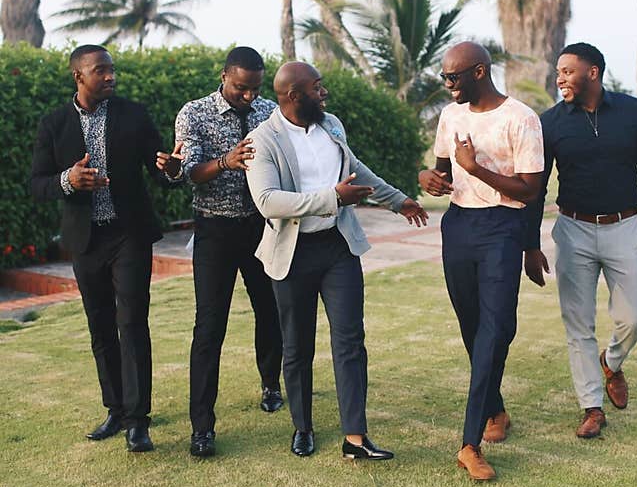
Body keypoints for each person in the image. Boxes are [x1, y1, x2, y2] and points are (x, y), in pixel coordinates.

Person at [245, 61, 427, 461]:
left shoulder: (332, 125)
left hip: (338, 247)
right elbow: (267, 201)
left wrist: (398, 200)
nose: (324, 93)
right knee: (297, 346)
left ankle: (355, 438)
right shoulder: (263, 140)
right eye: (317, 87)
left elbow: (355, 169)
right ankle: (302, 427)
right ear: (294, 96)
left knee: (350, 340)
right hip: (292, 253)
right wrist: (333, 198)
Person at [30, 45, 177, 452]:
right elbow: (36, 183)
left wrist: (170, 168)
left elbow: (160, 166)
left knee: (131, 323)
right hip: (86, 240)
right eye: (101, 71)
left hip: (128, 233)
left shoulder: (134, 114)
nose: (111, 77)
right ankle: (115, 409)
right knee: (100, 326)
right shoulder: (54, 123)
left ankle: (138, 421)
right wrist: (68, 181)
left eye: (112, 70)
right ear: (79, 76)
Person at [524, 42, 637, 440]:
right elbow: (536, 187)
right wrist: (530, 245)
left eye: (568, 71)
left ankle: (612, 362)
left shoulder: (633, 112)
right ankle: (591, 407)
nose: (560, 78)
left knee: (633, 317)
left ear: (593, 72)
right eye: (558, 71)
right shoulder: (549, 122)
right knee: (578, 324)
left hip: (625, 228)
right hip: (573, 230)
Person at [419, 41, 544, 481]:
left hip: (502, 228)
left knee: (496, 330)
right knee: (473, 328)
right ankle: (495, 408)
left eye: (453, 78)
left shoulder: (521, 118)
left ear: (478, 72)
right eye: (444, 79)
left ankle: (469, 444)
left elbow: (529, 190)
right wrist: (428, 178)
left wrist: (475, 169)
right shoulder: (451, 115)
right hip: (458, 226)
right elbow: (440, 169)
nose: (447, 86)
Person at [155, 46, 284, 458]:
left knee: (271, 312)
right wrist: (221, 162)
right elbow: (188, 171)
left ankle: (271, 384)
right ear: (224, 76)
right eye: (241, 88)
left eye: (255, 88)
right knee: (209, 327)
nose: (249, 96)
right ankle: (202, 428)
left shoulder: (269, 111)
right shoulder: (194, 113)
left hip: (263, 228)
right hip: (215, 231)